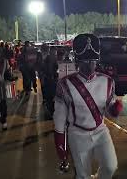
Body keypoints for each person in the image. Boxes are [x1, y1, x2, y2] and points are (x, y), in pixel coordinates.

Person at [53, 34, 123, 179]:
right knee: (82, 175)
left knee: (111, 166)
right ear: (77, 61)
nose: (90, 64)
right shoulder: (64, 84)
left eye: (93, 60)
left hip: (100, 130)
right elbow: (59, 117)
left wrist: (114, 110)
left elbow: (109, 110)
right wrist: (61, 144)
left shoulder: (107, 81)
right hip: (77, 134)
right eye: (85, 60)